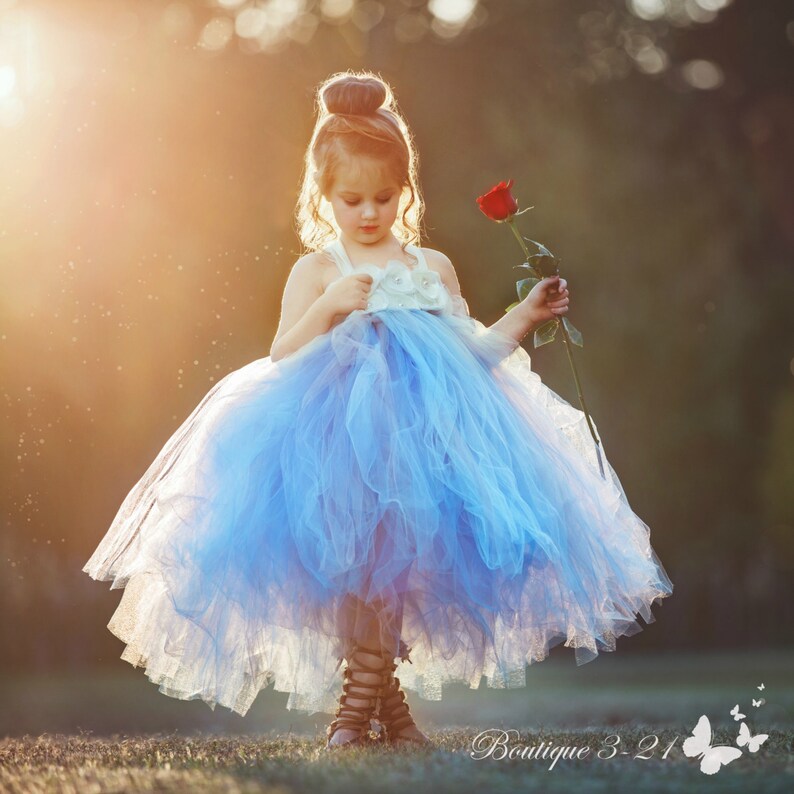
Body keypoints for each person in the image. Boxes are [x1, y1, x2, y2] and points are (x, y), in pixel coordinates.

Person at [82, 70, 673, 752]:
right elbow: (282, 353)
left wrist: (527, 312)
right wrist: (330, 307)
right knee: (364, 575)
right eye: (351, 198)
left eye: (384, 198)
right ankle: (374, 717)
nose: (368, 213)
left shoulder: (432, 267)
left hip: (423, 448)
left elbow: (475, 353)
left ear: (406, 190)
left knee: (389, 577)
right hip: (336, 443)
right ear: (323, 194)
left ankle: (361, 717)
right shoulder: (318, 269)